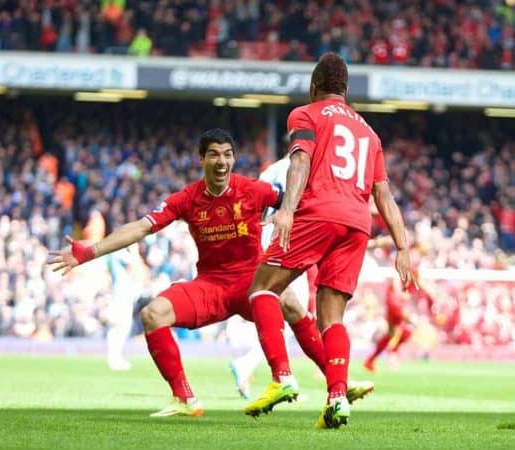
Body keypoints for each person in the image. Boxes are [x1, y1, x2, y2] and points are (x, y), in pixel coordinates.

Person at [48, 128, 344, 418]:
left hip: (251, 282)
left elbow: (301, 204)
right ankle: (185, 398)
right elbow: (140, 227)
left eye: (227, 155)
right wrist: (89, 252)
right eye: (214, 155)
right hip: (211, 286)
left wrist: (317, 216)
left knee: (290, 302)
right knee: (152, 314)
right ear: (201, 159)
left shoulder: (252, 189)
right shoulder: (187, 198)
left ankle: (335, 385)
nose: (221, 162)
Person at [243, 52, 415, 429]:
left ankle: (281, 377)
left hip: (319, 212)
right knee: (331, 316)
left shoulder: (305, 114)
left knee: (262, 290)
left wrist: (287, 209)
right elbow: (383, 195)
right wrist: (402, 248)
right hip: (357, 223)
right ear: (346, 90)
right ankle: (337, 398)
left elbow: (300, 162)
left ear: (313, 86)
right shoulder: (369, 133)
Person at [229, 156, 374, 402]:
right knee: (295, 312)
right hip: (285, 245)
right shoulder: (307, 169)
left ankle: (316, 379)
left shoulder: (272, 170)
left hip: (272, 244)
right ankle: (279, 376)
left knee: (294, 312)